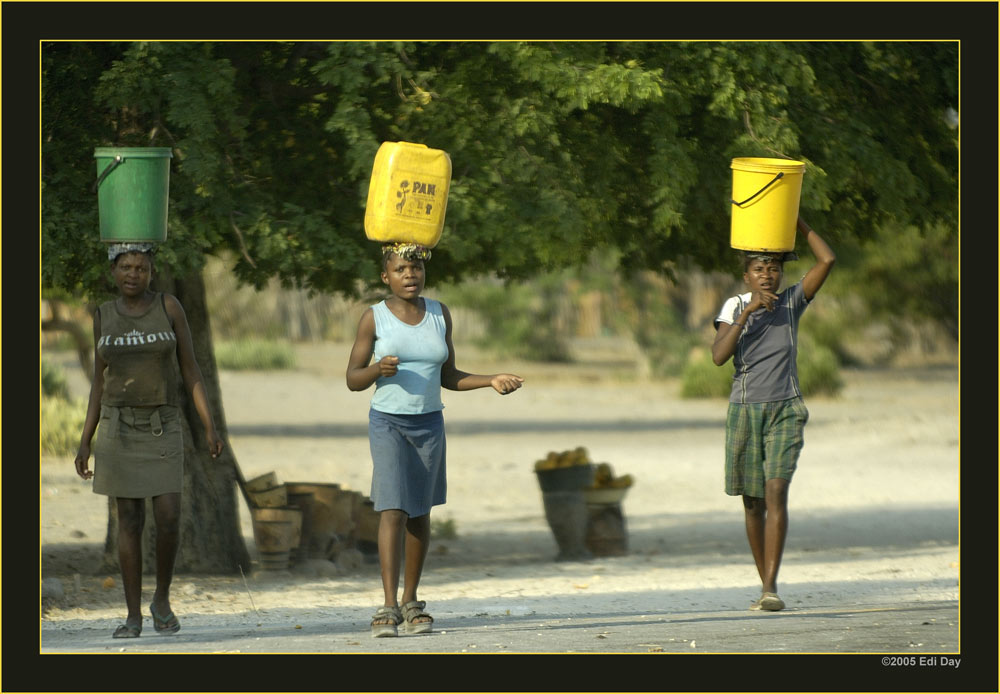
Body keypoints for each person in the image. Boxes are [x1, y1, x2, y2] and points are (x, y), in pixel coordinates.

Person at [346, 242, 524, 638]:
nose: (410, 275)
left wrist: (490, 380)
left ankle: (411, 602)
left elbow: (449, 376)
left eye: (415, 268)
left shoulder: (439, 314)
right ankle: (388, 606)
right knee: (393, 506)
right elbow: (352, 380)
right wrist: (377, 369)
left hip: (429, 423)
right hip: (388, 422)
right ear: (385, 277)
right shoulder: (373, 318)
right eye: (400, 269)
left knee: (420, 511)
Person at [74, 242, 224, 638]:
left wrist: (209, 425)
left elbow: (191, 371)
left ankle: (161, 597)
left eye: (141, 267)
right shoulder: (103, 315)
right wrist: (85, 439)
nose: (133, 274)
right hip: (118, 427)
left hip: (163, 424)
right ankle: (133, 615)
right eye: (125, 266)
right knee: (130, 520)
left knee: (170, 515)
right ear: (113, 272)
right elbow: (97, 383)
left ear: (152, 272)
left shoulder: (169, 307)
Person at [711, 215, 835, 612]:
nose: (767, 275)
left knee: (775, 490)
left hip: (786, 408)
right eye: (759, 269)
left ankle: (770, 588)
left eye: (774, 269)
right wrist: (747, 315)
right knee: (752, 503)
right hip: (745, 411)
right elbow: (718, 356)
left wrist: (796, 221)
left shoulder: (792, 302)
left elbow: (827, 261)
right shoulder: (734, 306)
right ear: (746, 277)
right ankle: (763, 582)